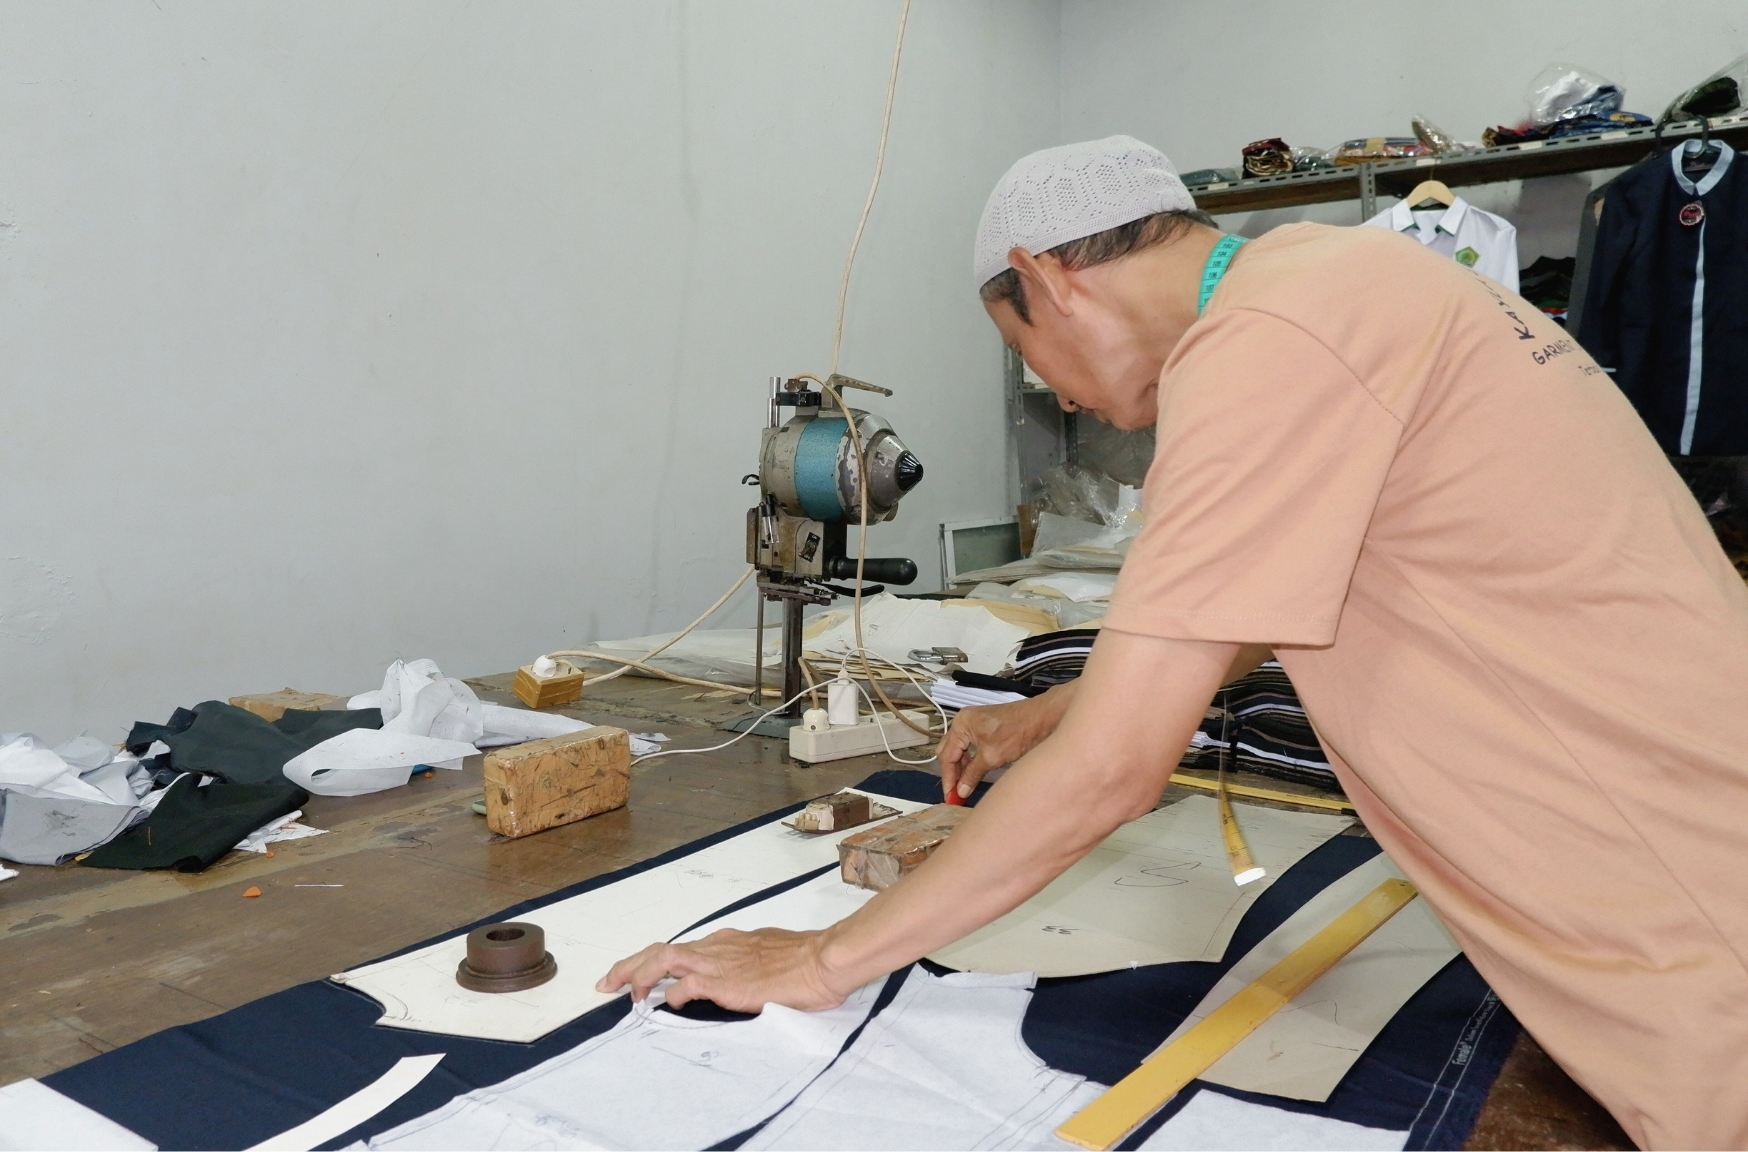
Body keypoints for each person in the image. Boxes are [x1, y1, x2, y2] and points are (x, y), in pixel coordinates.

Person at [600, 136, 1748, 1149]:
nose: (1057, 397)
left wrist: (817, 960)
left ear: (1048, 278)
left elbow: (1112, 774)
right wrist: (1064, 706)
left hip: (1683, 907)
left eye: (1022, 349)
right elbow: (1270, 602)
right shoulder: (1338, 282)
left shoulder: (1259, 343)